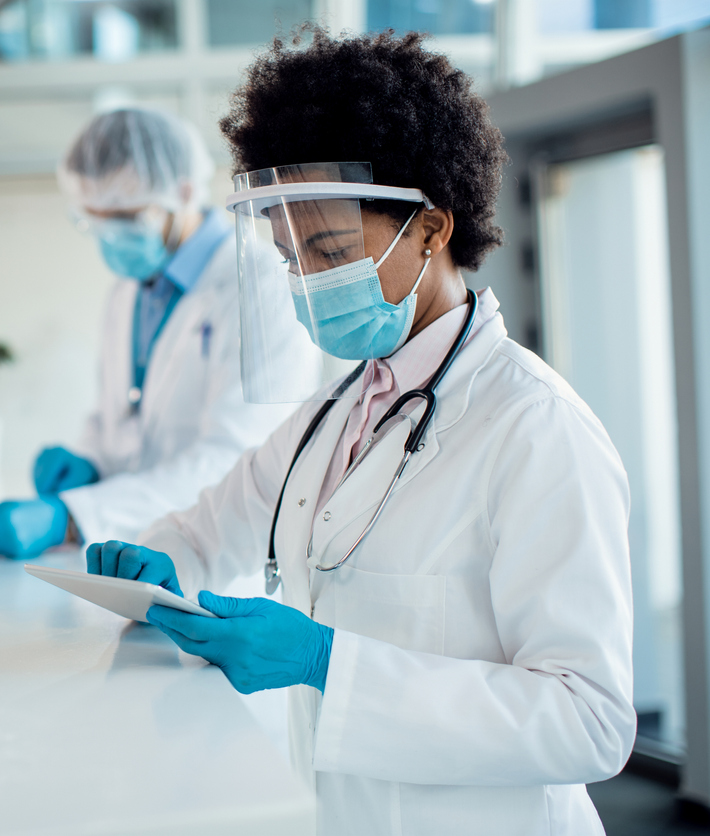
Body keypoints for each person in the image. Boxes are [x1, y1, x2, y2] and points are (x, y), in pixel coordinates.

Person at [87, 29, 634, 834]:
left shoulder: (536, 431)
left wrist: (328, 663)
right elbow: (214, 526)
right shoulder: (333, 414)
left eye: (331, 249)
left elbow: (589, 720)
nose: (306, 280)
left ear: (433, 228)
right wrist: (159, 559)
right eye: (289, 256)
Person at [0, 108, 321, 558]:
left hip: (222, 566)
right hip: (130, 552)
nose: (110, 238)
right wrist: (90, 461)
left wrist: (72, 516)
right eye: (95, 220)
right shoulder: (127, 293)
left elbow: (238, 460)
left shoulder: (262, 284)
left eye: (124, 219)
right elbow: (116, 421)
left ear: (182, 192)